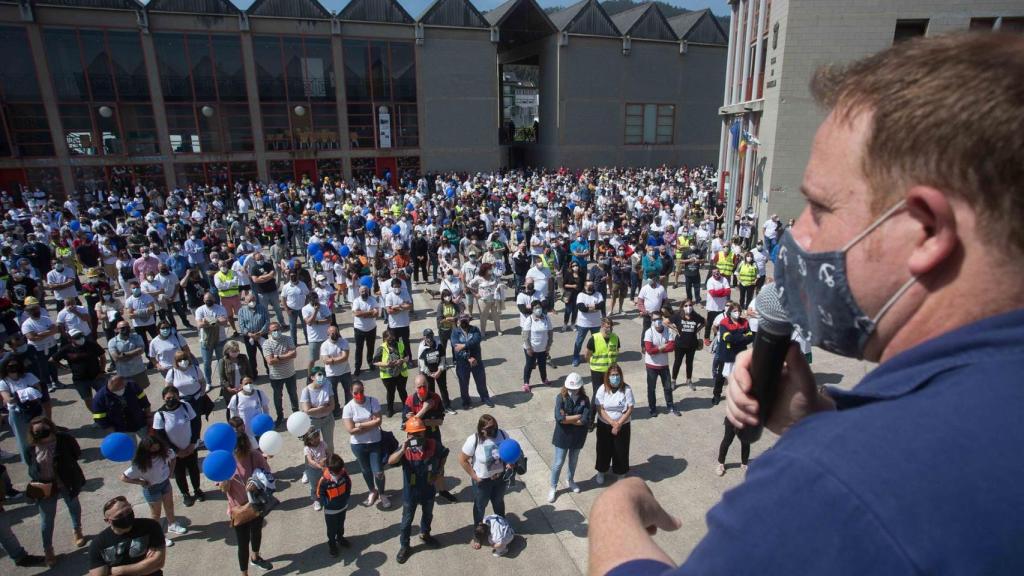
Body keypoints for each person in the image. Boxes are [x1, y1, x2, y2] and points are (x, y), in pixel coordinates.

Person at [588, 34, 1024, 576]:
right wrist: (818, 418)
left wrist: (614, 512)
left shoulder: (835, 486)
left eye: (818, 207)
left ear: (926, 230)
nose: (796, 235)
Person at [26, 416, 86, 567]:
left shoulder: (64, 439)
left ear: (50, 427)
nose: (41, 433)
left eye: (44, 429)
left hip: (66, 482)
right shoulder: (31, 448)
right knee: (47, 520)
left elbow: (76, 453)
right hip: (45, 487)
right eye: (37, 431)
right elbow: (31, 465)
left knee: (73, 506)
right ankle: (48, 549)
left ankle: (77, 530)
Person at [221, 418, 273, 575]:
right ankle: (244, 574)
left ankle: (255, 557)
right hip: (238, 508)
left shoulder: (254, 456)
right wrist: (225, 479)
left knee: (257, 532)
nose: (238, 453)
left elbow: (267, 475)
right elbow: (224, 489)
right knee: (242, 544)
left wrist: (256, 484)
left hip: (256, 502)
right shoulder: (225, 460)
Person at [388, 415, 442, 564]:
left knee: (427, 515)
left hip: (428, 490)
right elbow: (390, 461)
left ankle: (425, 534)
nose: (416, 436)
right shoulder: (405, 450)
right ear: (407, 434)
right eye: (413, 434)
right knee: (406, 521)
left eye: (419, 433)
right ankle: (404, 546)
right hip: (410, 493)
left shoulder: (432, 444)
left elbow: (444, 453)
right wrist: (403, 449)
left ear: (424, 432)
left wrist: (437, 472)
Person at [120, 435, 187, 547]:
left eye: (157, 449)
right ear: (146, 451)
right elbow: (123, 477)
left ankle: (172, 524)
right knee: (156, 514)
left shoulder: (165, 453)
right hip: (151, 489)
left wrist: (171, 471)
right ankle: (158, 535)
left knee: (169, 505)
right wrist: (141, 482)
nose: (156, 452)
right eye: (153, 450)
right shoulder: (139, 464)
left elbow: (174, 458)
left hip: (165, 483)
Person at [403, 373, 456, 501]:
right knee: (418, 467)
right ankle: (420, 493)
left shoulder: (435, 398)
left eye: (424, 386)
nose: (422, 389)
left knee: (438, 464)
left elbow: (440, 421)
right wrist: (425, 409)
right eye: (419, 387)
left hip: (433, 436)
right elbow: (405, 426)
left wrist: (419, 420)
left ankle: (442, 490)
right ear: (415, 388)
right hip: (416, 440)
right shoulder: (410, 400)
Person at [87, 495, 166, 576]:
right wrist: (146, 565)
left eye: (128, 511)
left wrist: (120, 570)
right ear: (107, 521)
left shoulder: (150, 526)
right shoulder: (98, 544)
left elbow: (159, 563)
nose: (126, 516)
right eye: (119, 515)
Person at [153, 386, 204, 507]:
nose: (171, 399)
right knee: (179, 474)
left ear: (178, 397)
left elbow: (196, 423)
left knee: (194, 470)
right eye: (168, 398)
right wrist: (176, 451)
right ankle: (185, 494)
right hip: (174, 453)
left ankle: (197, 489)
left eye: (174, 397)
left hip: (190, 448)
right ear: (163, 398)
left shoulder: (186, 406)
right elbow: (160, 436)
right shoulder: (160, 415)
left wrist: (192, 443)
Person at [341, 381, 389, 509]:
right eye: (356, 393)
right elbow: (350, 430)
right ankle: (372, 490)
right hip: (358, 445)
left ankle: (382, 493)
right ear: (351, 393)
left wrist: (360, 425)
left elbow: (379, 422)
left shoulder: (373, 401)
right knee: (365, 470)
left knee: (378, 471)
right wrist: (370, 423)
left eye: (361, 391)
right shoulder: (348, 408)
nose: (359, 395)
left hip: (375, 443)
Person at [459, 414, 511, 532]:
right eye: (489, 428)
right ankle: (478, 534)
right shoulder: (474, 440)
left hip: (500, 479)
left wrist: (508, 462)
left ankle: (502, 528)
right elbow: (462, 460)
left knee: (498, 503)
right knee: (480, 507)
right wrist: (474, 476)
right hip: (482, 482)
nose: (494, 430)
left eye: (495, 426)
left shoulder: (502, 434)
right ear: (482, 429)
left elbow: (508, 451)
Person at [549, 372, 590, 502]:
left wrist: (569, 419)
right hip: (562, 436)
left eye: (575, 388)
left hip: (578, 437)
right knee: (558, 462)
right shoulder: (560, 397)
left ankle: (570, 480)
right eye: (570, 389)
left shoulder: (585, 399)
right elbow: (560, 418)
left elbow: (584, 420)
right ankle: (553, 487)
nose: (572, 391)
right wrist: (576, 417)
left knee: (573, 460)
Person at [593, 363, 633, 484]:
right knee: (603, 449)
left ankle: (620, 473)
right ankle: (601, 471)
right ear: (608, 376)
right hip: (604, 425)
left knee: (621, 449)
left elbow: (630, 408)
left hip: (623, 426)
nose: (615, 377)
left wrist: (619, 423)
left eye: (617, 375)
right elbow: (599, 408)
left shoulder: (626, 389)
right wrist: (612, 422)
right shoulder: (602, 389)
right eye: (612, 375)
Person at [713, 304, 752, 405]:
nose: (737, 313)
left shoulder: (745, 322)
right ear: (730, 312)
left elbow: (750, 336)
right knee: (720, 376)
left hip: (739, 353)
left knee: (738, 376)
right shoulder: (724, 323)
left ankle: (736, 395)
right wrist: (742, 337)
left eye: (738, 310)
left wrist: (737, 338)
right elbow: (727, 338)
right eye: (735, 311)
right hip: (726, 354)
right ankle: (716, 395)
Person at [451, 315, 493, 409]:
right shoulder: (455, 332)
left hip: (476, 361)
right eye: (462, 321)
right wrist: (468, 358)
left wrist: (464, 346)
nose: (464, 322)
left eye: (465, 320)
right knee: (463, 384)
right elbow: (456, 348)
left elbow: (476, 340)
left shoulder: (475, 329)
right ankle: (466, 401)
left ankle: (485, 398)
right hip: (462, 363)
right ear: (458, 322)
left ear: (469, 320)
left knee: (481, 381)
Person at [314, 454, 352, 556]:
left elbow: (348, 485)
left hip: (342, 507)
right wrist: (327, 503)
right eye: (338, 472)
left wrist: (346, 497)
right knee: (331, 529)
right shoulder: (324, 481)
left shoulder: (344, 474)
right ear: (330, 470)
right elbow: (319, 494)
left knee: (341, 525)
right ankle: (332, 543)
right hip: (330, 511)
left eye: (341, 471)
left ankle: (340, 538)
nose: (340, 473)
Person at [262, 321, 298, 428]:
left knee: (293, 394)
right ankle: (280, 416)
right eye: (274, 330)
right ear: (269, 332)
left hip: (290, 373)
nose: (276, 332)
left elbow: (294, 354)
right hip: (276, 376)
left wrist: (277, 357)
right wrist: (287, 355)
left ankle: (296, 413)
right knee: (278, 397)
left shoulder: (288, 339)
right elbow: (270, 361)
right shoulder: (266, 344)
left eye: (278, 329)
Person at [642, 313, 678, 416]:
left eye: (659, 319)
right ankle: (652, 408)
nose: (657, 321)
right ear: (652, 321)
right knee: (651, 388)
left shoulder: (668, 330)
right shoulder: (649, 332)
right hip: (651, 366)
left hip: (664, 365)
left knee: (667, 387)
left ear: (662, 319)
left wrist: (656, 348)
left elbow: (671, 347)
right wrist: (662, 348)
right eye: (654, 319)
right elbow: (649, 350)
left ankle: (670, 405)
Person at [665, 299, 705, 390]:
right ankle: (673, 381)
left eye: (690, 305)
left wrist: (697, 330)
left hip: (692, 344)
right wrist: (675, 329)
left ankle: (689, 380)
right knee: (677, 362)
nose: (688, 307)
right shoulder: (678, 316)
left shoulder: (695, 316)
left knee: (689, 363)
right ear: (682, 307)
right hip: (680, 344)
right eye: (686, 305)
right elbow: (666, 322)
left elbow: (704, 322)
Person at [417, 328, 455, 414]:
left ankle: (447, 406)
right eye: (427, 336)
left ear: (433, 336)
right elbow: (422, 364)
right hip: (427, 372)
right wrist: (430, 374)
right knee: (430, 390)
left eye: (430, 336)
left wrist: (439, 371)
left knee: (443, 388)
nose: (429, 338)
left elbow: (442, 359)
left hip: (439, 370)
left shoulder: (439, 345)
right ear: (424, 337)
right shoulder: (422, 347)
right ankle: (434, 407)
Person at [194, 292, 228, 386]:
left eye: (210, 299)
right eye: (207, 300)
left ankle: (223, 381)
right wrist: (216, 320)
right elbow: (199, 324)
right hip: (206, 341)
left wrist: (208, 321)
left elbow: (224, 322)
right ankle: (208, 383)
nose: (209, 301)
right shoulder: (200, 310)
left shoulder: (220, 308)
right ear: (204, 300)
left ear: (214, 299)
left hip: (220, 340)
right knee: (206, 363)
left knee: (221, 362)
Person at [373, 328, 409, 418]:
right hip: (388, 375)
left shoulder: (399, 345)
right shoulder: (381, 348)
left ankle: (407, 407)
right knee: (390, 392)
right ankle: (390, 409)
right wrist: (386, 364)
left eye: (393, 338)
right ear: (385, 339)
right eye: (389, 338)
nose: (391, 340)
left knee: (402, 391)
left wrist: (402, 360)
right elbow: (375, 361)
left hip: (401, 373)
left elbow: (407, 356)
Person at [301, 367, 336, 454]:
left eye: (323, 375)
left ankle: (330, 463)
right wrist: (321, 408)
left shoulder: (327, 385)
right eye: (319, 375)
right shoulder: (306, 391)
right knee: (312, 445)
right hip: (313, 422)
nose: (322, 378)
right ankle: (312, 466)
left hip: (327, 419)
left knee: (329, 445)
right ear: (312, 377)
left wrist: (315, 409)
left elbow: (332, 406)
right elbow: (307, 411)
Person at [521, 299, 552, 392]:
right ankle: (526, 383)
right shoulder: (529, 320)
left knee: (542, 365)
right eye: (536, 308)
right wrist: (529, 348)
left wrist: (548, 346)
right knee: (529, 365)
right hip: (532, 348)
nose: (538, 309)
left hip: (543, 348)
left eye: (539, 307)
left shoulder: (546, 318)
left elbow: (550, 333)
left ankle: (544, 379)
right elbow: (525, 336)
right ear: (532, 309)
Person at [584, 316, 619, 398]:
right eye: (607, 327)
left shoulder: (615, 338)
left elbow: (616, 352)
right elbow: (587, 355)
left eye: (611, 327)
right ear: (602, 326)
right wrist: (592, 363)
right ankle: (593, 410)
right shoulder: (594, 338)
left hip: (610, 371)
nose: (609, 329)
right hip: (597, 371)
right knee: (597, 394)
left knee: (610, 392)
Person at [227, 377, 270, 445]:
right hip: (246, 434)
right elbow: (233, 417)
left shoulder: (259, 394)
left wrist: (266, 423)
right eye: (246, 383)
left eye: (250, 383)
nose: (249, 385)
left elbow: (266, 409)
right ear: (241, 385)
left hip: (259, 431)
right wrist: (238, 431)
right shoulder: (236, 398)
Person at [572, 280, 604, 367]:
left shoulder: (598, 294)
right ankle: (575, 357)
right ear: (585, 287)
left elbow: (601, 305)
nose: (591, 287)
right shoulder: (581, 295)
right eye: (589, 285)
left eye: (592, 285)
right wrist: (594, 308)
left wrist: (589, 308)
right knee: (579, 341)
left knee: (596, 341)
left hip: (595, 323)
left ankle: (595, 356)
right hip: (583, 324)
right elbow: (581, 308)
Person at [320, 324, 352, 413]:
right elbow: (325, 361)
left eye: (335, 332)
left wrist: (332, 360)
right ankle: (336, 409)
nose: (334, 335)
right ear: (328, 334)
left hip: (345, 371)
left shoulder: (344, 342)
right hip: (331, 374)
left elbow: (345, 357)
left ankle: (348, 409)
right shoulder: (324, 345)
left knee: (348, 391)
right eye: (332, 333)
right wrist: (339, 358)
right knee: (333, 394)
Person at [237, 293, 269, 378]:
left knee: (266, 354)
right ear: (245, 302)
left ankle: (270, 371)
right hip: (249, 337)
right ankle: (253, 374)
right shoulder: (241, 311)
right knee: (251, 357)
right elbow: (241, 325)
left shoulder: (262, 308)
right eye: (250, 301)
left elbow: (267, 321)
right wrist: (249, 334)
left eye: (253, 300)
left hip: (262, 336)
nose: (252, 302)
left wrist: (260, 333)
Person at [217, 340, 251, 420]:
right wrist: (229, 388)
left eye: (237, 351)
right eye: (233, 351)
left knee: (244, 407)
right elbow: (222, 378)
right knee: (231, 409)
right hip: (230, 391)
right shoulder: (222, 361)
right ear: (227, 351)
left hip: (243, 389)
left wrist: (244, 385)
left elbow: (249, 372)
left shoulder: (243, 357)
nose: (235, 353)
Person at [350, 283, 379, 376]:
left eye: (365, 291)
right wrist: (369, 312)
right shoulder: (356, 301)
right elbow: (356, 314)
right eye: (362, 291)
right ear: (359, 292)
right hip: (359, 329)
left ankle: (370, 363)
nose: (364, 293)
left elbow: (376, 314)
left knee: (370, 347)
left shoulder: (372, 300)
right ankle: (357, 367)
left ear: (368, 291)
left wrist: (363, 314)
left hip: (371, 328)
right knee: (359, 349)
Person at [469, 263, 503, 335]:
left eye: (491, 269)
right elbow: (469, 285)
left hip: (494, 299)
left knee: (496, 315)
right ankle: (483, 331)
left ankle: (498, 330)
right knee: (483, 316)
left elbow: (499, 284)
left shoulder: (494, 276)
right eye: (489, 269)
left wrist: (499, 295)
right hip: (483, 300)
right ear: (485, 270)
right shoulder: (478, 278)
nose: (491, 270)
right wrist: (475, 294)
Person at [302, 292, 331, 374]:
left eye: (316, 299)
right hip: (313, 339)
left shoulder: (324, 306)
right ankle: (309, 376)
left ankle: (328, 373)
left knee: (327, 358)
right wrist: (315, 311)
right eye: (313, 300)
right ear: (309, 300)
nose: (316, 301)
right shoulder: (305, 309)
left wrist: (317, 322)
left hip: (325, 337)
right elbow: (309, 323)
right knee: (312, 359)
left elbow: (329, 320)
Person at [635, 275, 666, 346]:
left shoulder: (661, 288)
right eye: (649, 278)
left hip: (658, 316)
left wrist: (663, 309)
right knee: (646, 330)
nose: (649, 280)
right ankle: (644, 346)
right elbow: (640, 302)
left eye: (651, 278)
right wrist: (644, 311)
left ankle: (656, 344)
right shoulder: (644, 288)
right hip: (647, 315)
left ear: (655, 279)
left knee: (657, 330)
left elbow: (665, 300)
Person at [280, 272, 309, 345]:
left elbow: (307, 295)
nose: (293, 277)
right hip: (291, 310)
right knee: (293, 328)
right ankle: (294, 344)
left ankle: (308, 341)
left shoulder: (302, 284)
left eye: (295, 276)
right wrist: (287, 310)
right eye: (291, 276)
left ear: (297, 275)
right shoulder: (286, 286)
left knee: (305, 326)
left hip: (303, 309)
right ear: (289, 277)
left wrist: (305, 306)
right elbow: (283, 298)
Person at [301, 427, 327, 506]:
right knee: (315, 485)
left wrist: (327, 459)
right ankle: (316, 500)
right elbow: (310, 460)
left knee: (325, 483)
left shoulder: (322, 443)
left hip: (324, 467)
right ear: (308, 440)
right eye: (314, 440)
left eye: (318, 439)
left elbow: (327, 452)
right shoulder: (307, 448)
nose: (317, 441)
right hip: (312, 470)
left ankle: (325, 496)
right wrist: (320, 465)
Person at [703, 268, 731, 344]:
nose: (716, 273)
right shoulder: (710, 281)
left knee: (720, 324)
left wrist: (719, 293)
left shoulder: (724, 279)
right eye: (714, 272)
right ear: (711, 273)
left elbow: (728, 291)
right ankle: (706, 338)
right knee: (709, 324)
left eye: (718, 271)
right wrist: (723, 291)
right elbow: (713, 293)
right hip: (712, 307)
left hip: (722, 307)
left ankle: (716, 338)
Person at [434, 288, 463, 353]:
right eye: (445, 296)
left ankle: (455, 360)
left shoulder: (454, 304)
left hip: (453, 329)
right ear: (442, 297)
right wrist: (447, 319)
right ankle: (443, 360)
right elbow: (439, 319)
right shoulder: (441, 305)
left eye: (449, 295)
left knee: (454, 345)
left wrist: (455, 318)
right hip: (443, 330)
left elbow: (459, 314)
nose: (448, 297)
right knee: (443, 346)